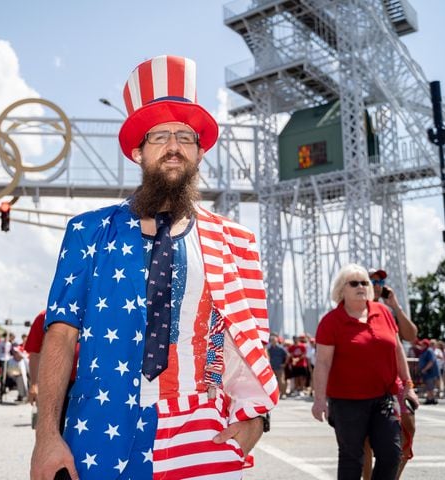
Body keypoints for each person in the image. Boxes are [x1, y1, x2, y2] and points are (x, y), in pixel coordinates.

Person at [31, 55, 277, 480]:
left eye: (185, 136)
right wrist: (46, 437)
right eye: (159, 135)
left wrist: (257, 416)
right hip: (101, 428)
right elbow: (60, 335)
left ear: (199, 153)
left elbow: (244, 339)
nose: (174, 146)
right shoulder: (88, 232)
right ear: (138, 151)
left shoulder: (235, 242)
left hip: (202, 429)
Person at [312, 264, 419, 480]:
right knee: (353, 458)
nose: (361, 286)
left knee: (391, 453)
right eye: (354, 283)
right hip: (347, 401)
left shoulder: (384, 312)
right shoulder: (331, 321)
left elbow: (398, 349)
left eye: (365, 283)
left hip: (383, 396)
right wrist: (319, 399)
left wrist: (408, 386)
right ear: (342, 289)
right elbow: (322, 363)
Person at [365, 267, 419, 480]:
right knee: (365, 441)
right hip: (365, 381)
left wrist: (395, 305)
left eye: (379, 282)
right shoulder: (354, 308)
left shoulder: (387, 312)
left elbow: (411, 335)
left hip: (392, 382)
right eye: (371, 281)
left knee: (409, 425)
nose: (376, 285)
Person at [417, 339, 439, 404]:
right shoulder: (424, 351)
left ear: (425, 345)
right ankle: (431, 399)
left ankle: (430, 399)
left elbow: (431, 361)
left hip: (430, 372)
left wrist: (424, 369)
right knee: (428, 386)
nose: (421, 345)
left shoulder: (429, 351)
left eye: (422, 344)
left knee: (430, 386)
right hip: (427, 372)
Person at [267, 333, 288, 399]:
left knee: (281, 380)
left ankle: (283, 393)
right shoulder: (269, 349)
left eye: (274, 340)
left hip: (279, 367)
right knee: (273, 381)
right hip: (272, 367)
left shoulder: (281, 348)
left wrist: (284, 364)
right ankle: (276, 394)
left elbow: (288, 355)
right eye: (271, 340)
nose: (273, 341)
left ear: (276, 341)